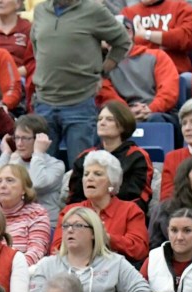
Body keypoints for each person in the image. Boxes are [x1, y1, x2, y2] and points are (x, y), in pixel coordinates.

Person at [29, 208, 151, 292]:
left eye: (78, 225)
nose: (70, 230)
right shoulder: (47, 265)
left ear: (94, 233)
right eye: (66, 226)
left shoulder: (115, 262)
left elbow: (142, 291)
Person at [31, 0, 130, 167]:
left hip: (80, 103)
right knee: (41, 171)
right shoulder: (40, 10)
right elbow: (36, 46)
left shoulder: (94, 10)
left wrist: (102, 71)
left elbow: (122, 41)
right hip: (44, 103)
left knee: (81, 170)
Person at [53, 151, 149, 263]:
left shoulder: (130, 210)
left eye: (97, 174)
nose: (89, 178)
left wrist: (107, 238)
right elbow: (56, 249)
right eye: (86, 174)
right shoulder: (70, 211)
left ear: (112, 183)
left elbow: (139, 250)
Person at [67, 101, 153, 215]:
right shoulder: (85, 157)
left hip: (124, 217)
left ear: (123, 125)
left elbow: (138, 199)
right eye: (100, 119)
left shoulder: (137, 157)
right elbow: (74, 198)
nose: (102, 123)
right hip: (86, 218)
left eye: (109, 119)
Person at [98, 17, 180, 125]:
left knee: (156, 120)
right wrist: (127, 113)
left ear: (129, 32)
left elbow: (169, 91)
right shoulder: (103, 66)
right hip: (122, 116)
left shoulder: (157, 56)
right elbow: (108, 96)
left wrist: (150, 109)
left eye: (110, 31)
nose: (107, 37)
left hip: (157, 112)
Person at [0, 114, 65, 226]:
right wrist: (5, 154)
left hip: (43, 224)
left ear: (39, 139)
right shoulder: (12, 161)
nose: (19, 143)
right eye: (17, 138)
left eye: (25, 138)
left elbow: (36, 184)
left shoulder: (56, 165)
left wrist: (38, 153)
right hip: (11, 222)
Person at [121, 0, 192, 73]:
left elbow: (187, 38)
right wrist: (166, 41)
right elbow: (122, 46)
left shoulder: (180, 7)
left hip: (174, 71)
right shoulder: (128, 13)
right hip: (137, 74)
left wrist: (147, 35)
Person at [0, 0, 35, 77]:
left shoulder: (29, 29)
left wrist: (9, 74)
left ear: (18, 3)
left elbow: (34, 63)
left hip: (18, 79)